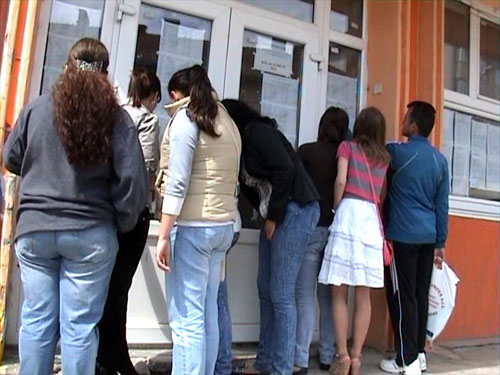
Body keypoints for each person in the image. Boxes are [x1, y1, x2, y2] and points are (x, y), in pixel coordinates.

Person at [2, 38, 148, 375]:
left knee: (37, 320)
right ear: (105, 74)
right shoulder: (118, 119)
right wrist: (122, 223)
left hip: (35, 230)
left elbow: (10, 158)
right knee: (79, 327)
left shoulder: (37, 108)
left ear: (67, 66)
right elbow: (133, 184)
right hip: (91, 234)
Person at [222, 99, 320, 375]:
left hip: (296, 210)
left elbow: (285, 169)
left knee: (281, 293)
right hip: (276, 214)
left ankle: (282, 367)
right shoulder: (237, 148)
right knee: (265, 288)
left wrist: (274, 217)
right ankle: (265, 360)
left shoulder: (255, 132)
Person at [155, 65, 242, 375]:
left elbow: (177, 182)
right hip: (222, 225)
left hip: (193, 227)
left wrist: (163, 234)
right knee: (207, 313)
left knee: (187, 319)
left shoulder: (186, 119)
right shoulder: (226, 119)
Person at [97, 68, 162, 375]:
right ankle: (115, 357)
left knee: (100, 286)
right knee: (119, 287)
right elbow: (146, 171)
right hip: (132, 214)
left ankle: (99, 355)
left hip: (104, 210)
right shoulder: (147, 121)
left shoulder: (114, 114)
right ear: (155, 95)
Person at [318, 107, 391, 375]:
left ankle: (343, 355)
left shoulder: (347, 147)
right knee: (364, 295)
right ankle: (358, 358)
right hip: (371, 218)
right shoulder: (384, 157)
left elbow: (340, 180)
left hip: (349, 212)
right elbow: (380, 193)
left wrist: (337, 208)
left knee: (338, 291)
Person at [379, 101, 449, 375]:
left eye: (406, 118)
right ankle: (418, 354)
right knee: (420, 295)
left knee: (401, 296)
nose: (402, 121)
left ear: (414, 126)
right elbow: (442, 205)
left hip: (402, 236)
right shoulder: (440, 161)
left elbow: (375, 152)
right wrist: (440, 242)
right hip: (429, 237)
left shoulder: (397, 152)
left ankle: (404, 360)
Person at [294, 107, 350, 373]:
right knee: (330, 298)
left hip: (310, 228)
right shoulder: (346, 158)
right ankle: (327, 355)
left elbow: (294, 188)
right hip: (336, 232)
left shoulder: (306, 151)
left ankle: (301, 357)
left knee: (304, 295)